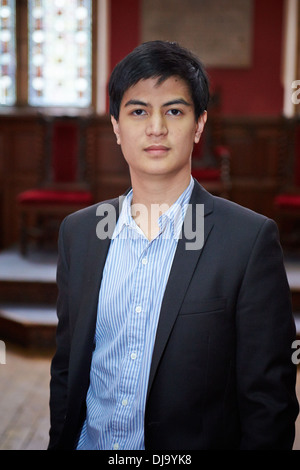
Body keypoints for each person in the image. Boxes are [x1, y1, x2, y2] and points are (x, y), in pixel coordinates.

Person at [48, 40, 298, 450]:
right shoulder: (80, 234)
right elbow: (67, 371)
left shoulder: (248, 241)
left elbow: (268, 401)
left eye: (175, 111)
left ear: (199, 125)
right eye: (138, 111)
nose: (156, 128)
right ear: (115, 125)